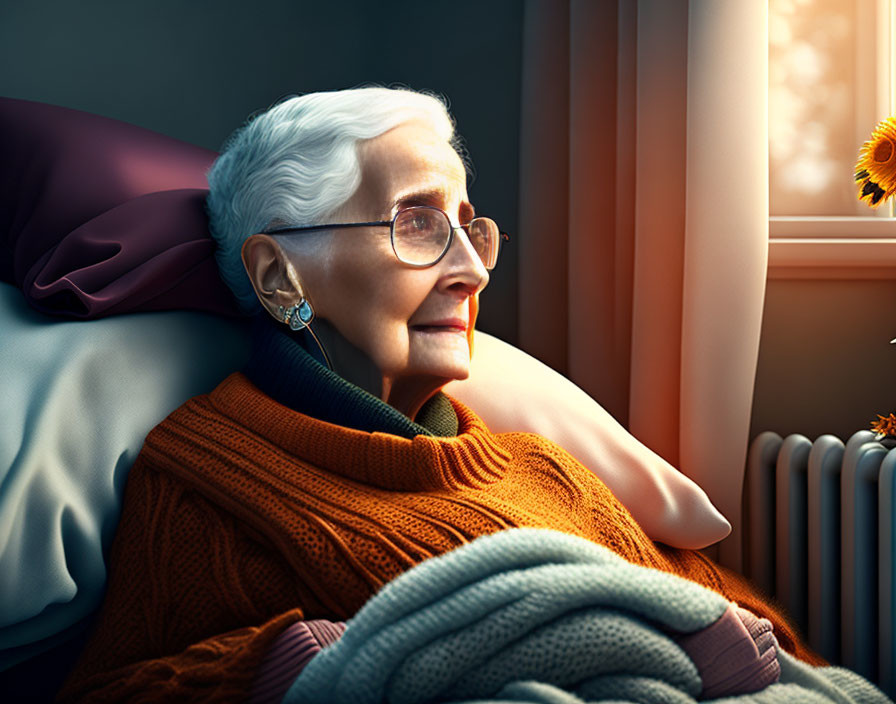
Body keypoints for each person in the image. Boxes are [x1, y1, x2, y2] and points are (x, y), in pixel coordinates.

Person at [57, 87, 823, 703]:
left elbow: (753, 643)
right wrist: (282, 666)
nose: (473, 270)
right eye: (418, 225)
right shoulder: (208, 485)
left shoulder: (539, 467)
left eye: (470, 228)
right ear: (277, 276)